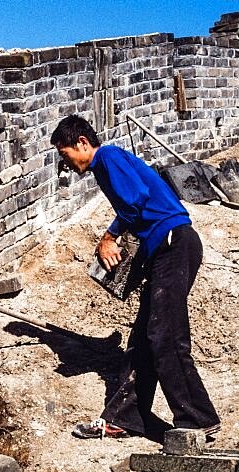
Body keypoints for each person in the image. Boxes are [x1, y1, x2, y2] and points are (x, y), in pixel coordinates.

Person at [50, 115, 220, 440]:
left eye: (65, 153)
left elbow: (138, 199)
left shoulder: (108, 156)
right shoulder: (104, 166)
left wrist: (109, 236)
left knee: (166, 335)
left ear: (82, 143)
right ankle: (124, 418)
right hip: (162, 249)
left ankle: (198, 418)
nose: (65, 163)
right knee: (143, 339)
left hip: (174, 243)